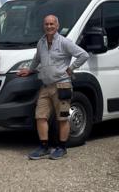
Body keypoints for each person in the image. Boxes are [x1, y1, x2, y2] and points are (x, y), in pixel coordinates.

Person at [17, 14, 89, 160]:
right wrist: (30, 70)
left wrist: (71, 68)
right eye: (46, 24)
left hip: (62, 85)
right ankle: (44, 147)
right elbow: (37, 59)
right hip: (45, 86)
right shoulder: (41, 42)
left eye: (52, 24)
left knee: (62, 118)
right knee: (40, 117)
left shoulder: (64, 42)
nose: (49, 26)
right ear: (43, 26)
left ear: (57, 26)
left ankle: (62, 148)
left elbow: (83, 55)